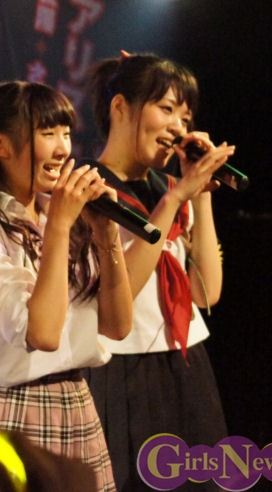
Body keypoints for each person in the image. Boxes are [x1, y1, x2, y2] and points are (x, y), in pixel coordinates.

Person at [0, 80, 134, 492]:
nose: (62, 148)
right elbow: (41, 334)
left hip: (75, 404)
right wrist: (58, 226)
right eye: (47, 133)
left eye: (66, 133)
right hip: (4, 414)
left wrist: (106, 232)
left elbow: (117, 326)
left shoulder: (65, 220)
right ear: (1, 145)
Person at [84, 52, 230, 491]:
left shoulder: (170, 188)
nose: (178, 128)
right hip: (120, 371)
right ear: (120, 107)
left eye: (185, 117)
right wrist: (174, 200)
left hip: (186, 364)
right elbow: (118, 296)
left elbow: (207, 293)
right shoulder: (88, 188)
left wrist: (199, 195)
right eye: (166, 109)